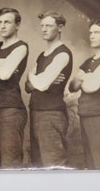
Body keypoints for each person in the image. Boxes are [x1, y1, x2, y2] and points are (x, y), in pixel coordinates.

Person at [69, 20, 100, 169]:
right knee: (90, 166)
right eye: (91, 32)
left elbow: (91, 87)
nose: (92, 36)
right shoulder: (89, 61)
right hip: (86, 116)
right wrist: (86, 77)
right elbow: (72, 86)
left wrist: (83, 78)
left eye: (97, 32)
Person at [25, 10, 73, 168]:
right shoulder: (42, 55)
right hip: (36, 112)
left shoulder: (63, 54)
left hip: (51, 115)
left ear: (59, 28)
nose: (44, 29)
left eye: (49, 26)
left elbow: (41, 85)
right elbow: (28, 86)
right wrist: (36, 78)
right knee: (38, 164)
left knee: (53, 164)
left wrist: (33, 76)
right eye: (42, 26)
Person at [0, 8, 28, 168]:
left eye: (7, 22)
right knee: (0, 162)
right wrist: (0, 62)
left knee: (10, 163)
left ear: (17, 25)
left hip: (11, 109)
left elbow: (5, 74)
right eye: (0, 22)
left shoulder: (21, 47)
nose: (2, 26)